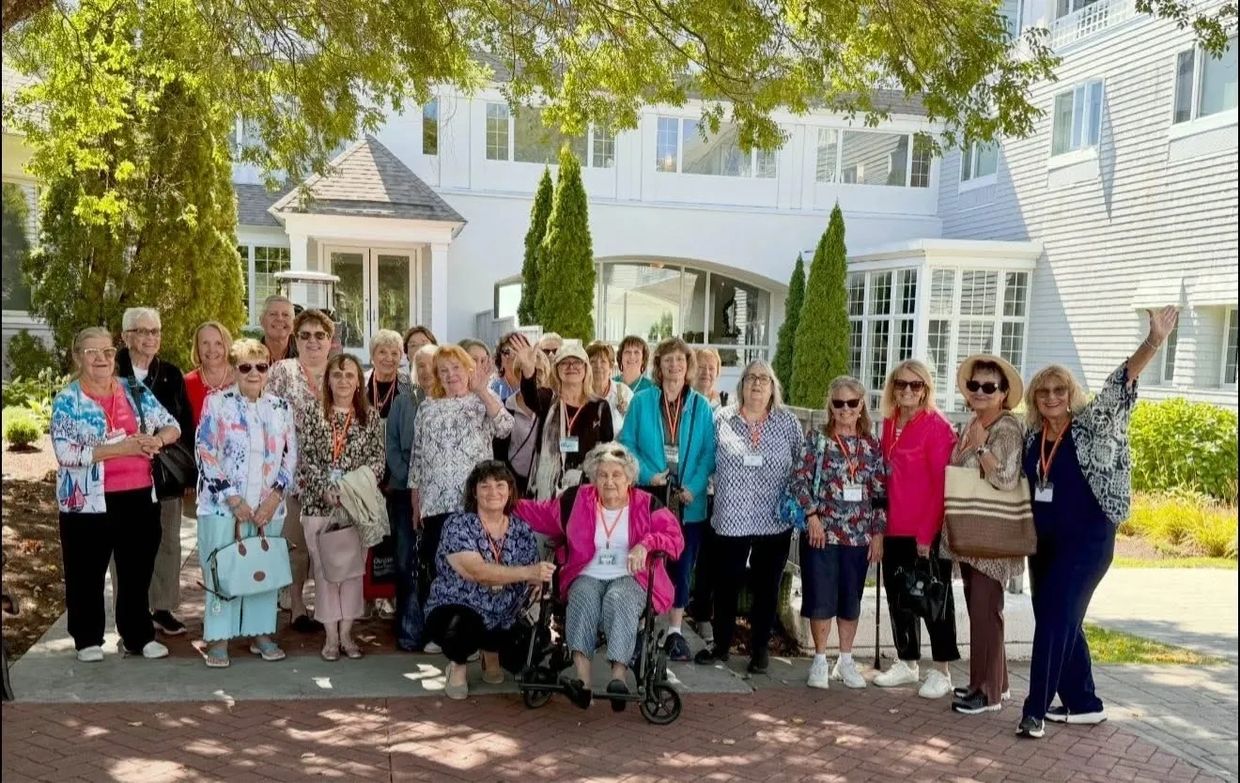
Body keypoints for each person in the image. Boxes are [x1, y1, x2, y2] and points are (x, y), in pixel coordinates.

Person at [1016, 307, 1178, 740]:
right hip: (1044, 545)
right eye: (1043, 392)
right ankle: (1084, 703)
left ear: (1070, 393)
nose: (1051, 397)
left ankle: (1034, 711)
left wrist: (1153, 342)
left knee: (1054, 622)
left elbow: (1118, 386)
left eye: (1059, 389)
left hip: (1087, 543)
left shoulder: (1093, 426)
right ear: (1034, 399)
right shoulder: (1033, 438)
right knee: (1059, 618)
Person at [516, 443, 684, 709]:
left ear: (629, 478)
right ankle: (582, 682)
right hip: (587, 573)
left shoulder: (647, 504)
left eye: (617, 475)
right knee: (581, 597)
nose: (609, 481)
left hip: (631, 577)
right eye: (603, 475)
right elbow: (541, 514)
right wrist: (504, 503)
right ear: (593, 477)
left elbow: (675, 539)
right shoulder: (577, 500)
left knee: (620, 599)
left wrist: (647, 544)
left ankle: (617, 677)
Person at [52, 327, 180, 661]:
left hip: (139, 496)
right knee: (85, 573)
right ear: (78, 356)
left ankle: (138, 635)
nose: (101, 359)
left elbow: (171, 424)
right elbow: (66, 454)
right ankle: (87, 639)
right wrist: (119, 448)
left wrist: (158, 440)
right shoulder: (68, 399)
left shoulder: (132, 390)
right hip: (87, 502)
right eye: (92, 352)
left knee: (136, 573)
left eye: (107, 351)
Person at [694, 360, 803, 674]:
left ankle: (759, 650)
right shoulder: (722, 419)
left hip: (774, 519)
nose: (757, 384)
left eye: (764, 379)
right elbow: (706, 461)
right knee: (725, 584)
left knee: (766, 588)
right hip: (730, 517)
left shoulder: (788, 423)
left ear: (773, 388)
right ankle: (721, 645)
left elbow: (801, 467)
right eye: (751, 378)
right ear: (741, 385)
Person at [194, 339, 297, 667]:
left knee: (261, 570)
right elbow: (205, 451)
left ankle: (261, 633)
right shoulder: (217, 403)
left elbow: (290, 455)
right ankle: (219, 639)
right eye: (246, 367)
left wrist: (276, 496)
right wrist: (233, 498)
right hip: (222, 506)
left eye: (261, 366)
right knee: (220, 570)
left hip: (268, 507)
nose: (254, 373)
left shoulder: (281, 407)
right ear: (235, 370)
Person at [617, 336, 716, 662]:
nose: (674, 366)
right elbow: (625, 443)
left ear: (688, 367)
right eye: (667, 360)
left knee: (682, 565)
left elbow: (707, 453)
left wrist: (694, 486)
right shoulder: (643, 401)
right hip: (651, 497)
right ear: (658, 366)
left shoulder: (700, 406)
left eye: (680, 360)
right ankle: (642, 625)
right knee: (645, 560)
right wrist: (647, 475)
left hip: (688, 503)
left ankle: (674, 631)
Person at [410, 344, 515, 650]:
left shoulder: (481, 401)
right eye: (444, 370)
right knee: (440, 568)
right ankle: (440, 633)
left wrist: (482, 391)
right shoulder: (427, 407)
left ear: (468, 370)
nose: (450, 375)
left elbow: (506, 427)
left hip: (472, 504)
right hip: (435, 502)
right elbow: (417, 457)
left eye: (456, 368)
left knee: (473, 569)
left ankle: (470, 635)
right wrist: (416, 499)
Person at [941, 355, 1026, 714]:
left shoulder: (1005, 429)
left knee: (986, 611)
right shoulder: (976, 423)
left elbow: (1005, 478)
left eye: (989, 386)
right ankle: (995, 683)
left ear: (1003, 393)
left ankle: (986, 693)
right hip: (976, 533)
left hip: (991, 533)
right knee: (984, 610)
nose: (979, 391)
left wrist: (978, 447)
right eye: (974, 385)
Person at [425, 461, 551, 700]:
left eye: (500, 485)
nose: (493, 492)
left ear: (510, 490)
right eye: (485, 486)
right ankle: (457, 667)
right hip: (459, 606)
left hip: (505, 613)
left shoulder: (522, 529)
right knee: (459, 626)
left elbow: (534, 576)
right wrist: (528, 573)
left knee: (534, 647)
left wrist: (537, 583)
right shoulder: (458, 524)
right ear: (474, 491)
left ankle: (490, 652)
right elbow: (477, 572)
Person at [792, 376, 886, 690]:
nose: (845, 409)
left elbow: (880, 494)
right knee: (820, 598)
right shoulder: (817, 439)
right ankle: (819, 660)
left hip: (858, 537)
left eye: (851, 403)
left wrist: (877, 533)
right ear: (830, 406)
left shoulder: (872, 446)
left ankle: (845, 660)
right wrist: (812, 516)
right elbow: (798, 481)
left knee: (850, 600)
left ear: (862, 406)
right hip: (822, 533)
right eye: (838, 403)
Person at [873, 359, 960, 698]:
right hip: (894, 527)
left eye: (915, 385)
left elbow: (942, 485)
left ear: (926, 389)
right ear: (892, 387)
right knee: (899, 598)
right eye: (901, 384)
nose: (907, 390)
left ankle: (942, 670)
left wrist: (927, 534)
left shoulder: (937, 427)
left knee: (935, 601)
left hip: (926, 531)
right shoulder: (889, 422)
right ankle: (907, 662)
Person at [298, 353, 386, 661]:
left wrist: (348, 489)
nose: (344, 380)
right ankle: (331, 637)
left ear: (358, 382)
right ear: (328, 380)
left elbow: (378, 461)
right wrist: (325, 489)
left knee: (351, 573)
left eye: (350, 375)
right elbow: (305, 458)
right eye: (337, 375)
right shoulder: (311, 413)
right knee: (324, 572)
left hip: (355, 507)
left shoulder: (370, 416)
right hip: (318, 506)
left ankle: (348, 633)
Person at [115, 307, 194, 638]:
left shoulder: (171, 374)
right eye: (143, 331)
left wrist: (189, 476)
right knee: (126, 546)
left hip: (163, 476)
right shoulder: (111, 371)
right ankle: (130, 612)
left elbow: (183, 423)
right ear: (126, 336)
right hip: (121, 475)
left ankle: (162, 607)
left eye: (155, 331)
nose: (150, 338)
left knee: (167, 542)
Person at [267, 308, 335, 633]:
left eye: (319, 335)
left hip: (333, 478)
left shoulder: (341, 372)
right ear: (296, 339)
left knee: (329, 547)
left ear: (330, 341)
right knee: (295, 546)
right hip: (292, 476)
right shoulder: (282, 371)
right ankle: (296, 605)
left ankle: (327, 607)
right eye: (305, 335)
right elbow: (268, 419)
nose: (312, 341)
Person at [507, 335, 615, 500]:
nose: (571, 366)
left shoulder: (599, 407)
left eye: (577, 362)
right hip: (546, 490)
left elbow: (607, 449)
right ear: (556, 369)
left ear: (586, 368)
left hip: (585, 490)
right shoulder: (547, 398)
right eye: (565, 362)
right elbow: (530, 396)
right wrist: (529, 371)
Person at [386, 339, 430, 652]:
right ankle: (407, 629)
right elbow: (392, 448)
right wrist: (411, 481)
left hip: (440, 498)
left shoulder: (447, 400)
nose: (426, 371)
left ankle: (432, 627)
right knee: (405, 561)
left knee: (432, 563)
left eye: (432, 365)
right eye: (420, 366)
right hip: (403, 493)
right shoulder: (403, 402)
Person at [363, 329, 409, 620]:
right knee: (366, 537)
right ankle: (365, 597)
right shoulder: (360, 384)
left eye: (395, 353)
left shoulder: (407, 387)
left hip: (396, 474)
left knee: (392, 537)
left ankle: (388, 597)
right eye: (383, 352)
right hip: (365, 471)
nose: (389, 358)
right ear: (372, 355)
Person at [689, 346, 725, 644]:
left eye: (711, 366)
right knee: (685, 554)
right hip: (689, 491)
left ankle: (702, 615)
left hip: (718, 494)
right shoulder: (685, 404)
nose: (706, 371)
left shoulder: (725, 407)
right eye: (701, 365)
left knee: (711, 559)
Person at [494, 348, 552, 496]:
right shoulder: (505, 407)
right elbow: (499, 452)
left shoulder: (552, 407)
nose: (535, 376)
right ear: (519, 373)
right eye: (529, 370)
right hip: (513, 483)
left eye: (540, 371)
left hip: (543, 484)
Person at [183, 321, 236, 427]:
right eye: (205, 343)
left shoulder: (242, 379)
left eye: (218, 343)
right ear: (197, 348)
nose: (212, 349)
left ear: (227, 346)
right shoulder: (186, 384)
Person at [587, 340, 633, 432]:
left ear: (611, 366)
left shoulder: (624, 392)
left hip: (616, 446)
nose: (598, 366)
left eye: (603, 361)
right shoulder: (579, 393)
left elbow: (635, 426)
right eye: (593, 362)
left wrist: (627, 412)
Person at [259, 295, 298, 363]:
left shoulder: (305, 356)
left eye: (285, 315)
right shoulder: (248, 358)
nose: (280, 319)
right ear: (261, 320)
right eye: (273, 314)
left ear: (294, 323)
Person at [490, 331, 523, 402]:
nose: (513, 355)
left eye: (517, 350)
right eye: (507, 352)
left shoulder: (532, 384)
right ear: (499, 358)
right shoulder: (495, 387)